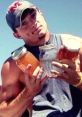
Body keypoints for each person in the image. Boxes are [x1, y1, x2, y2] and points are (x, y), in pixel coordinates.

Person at [0, 0, 82, 117]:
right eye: (24, 23)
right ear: (16, 34)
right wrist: (28, 93)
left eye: (33, 16)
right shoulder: (13, 65)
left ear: (40, 12)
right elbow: (4, 114)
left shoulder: (75, 45)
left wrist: (78, 81)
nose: (33, 23)